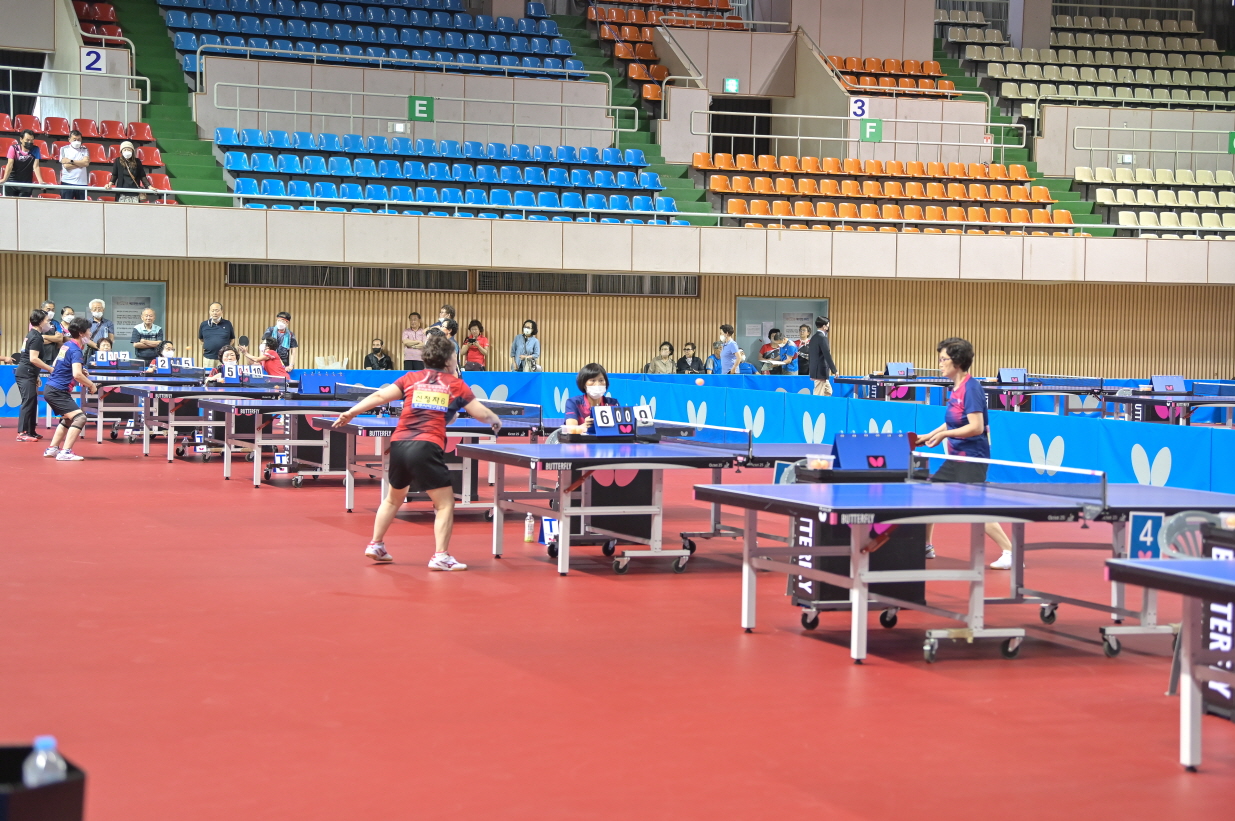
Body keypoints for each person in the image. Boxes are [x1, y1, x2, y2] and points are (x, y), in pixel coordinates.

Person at [333, 334, 502, 569]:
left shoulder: (411, 378)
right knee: (445, 504)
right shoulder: (455, 384)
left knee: (393, 499)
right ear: (448, 360)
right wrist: (495, 420)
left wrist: (351, 412)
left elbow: (380, 396)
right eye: (454, 355)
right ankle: (441, 556)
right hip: (426, 446)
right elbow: (480, 413)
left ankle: (376, 544)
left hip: (400, 444)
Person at [916, 337, 1014, 567]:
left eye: (943, 359)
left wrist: (944, 436)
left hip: (972, 458)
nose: (939, 363)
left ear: (957, 362)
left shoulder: (971, 389)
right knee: (928, 498)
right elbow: (953, 420)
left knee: (974, 507)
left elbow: (976, 427)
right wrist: (930, 435)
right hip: (956, 458)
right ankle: (926, 546)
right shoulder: (957, 387)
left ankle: (1011, 553)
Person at [41, 317, 98, 462]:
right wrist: (91, 385)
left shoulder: (66, 346)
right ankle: (65, 452)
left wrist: (79, 369)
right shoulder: (76, 350)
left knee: (67, 419)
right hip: (57, 391)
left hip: (52, 388)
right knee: (80, 418)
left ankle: (52, 448)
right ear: (81, 333)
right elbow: (77, 375)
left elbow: (58, 364)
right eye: (88, 330)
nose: (90, 333)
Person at [15, 309, 54, 442]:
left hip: (30, 373)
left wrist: (36, 376)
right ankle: (22, 433)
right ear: (40, 322)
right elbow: (33, 358)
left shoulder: (33, 334)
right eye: (47, 321)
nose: (49, 323)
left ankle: (31, 431)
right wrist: (50, 368)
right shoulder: (36, 337)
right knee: (28, 401)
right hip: (25, 373)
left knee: (32, 402)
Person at [562, 363, 619, 433]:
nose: (597, 384)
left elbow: (619, 428)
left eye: (601, 380)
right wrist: (583, 427)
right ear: (584, 384)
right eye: (593, 380)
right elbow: (570, 430)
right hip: (581, 440)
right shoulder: (573, 403)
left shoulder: (613, 403)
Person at [1, 130, 41, 197]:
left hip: (26, 184)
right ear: (21, 139)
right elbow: (10, 164)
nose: (29, 142)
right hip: (12, 183)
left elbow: (36, 166)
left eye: (32, 140)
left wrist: (40, 181)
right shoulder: (13, 148)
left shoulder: (36, 149)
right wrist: (4, 179)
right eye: (27, 140)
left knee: (23, 203)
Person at [198, 302, 235, 368]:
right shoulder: (204, 324)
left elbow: (232, 339)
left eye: (217, 310)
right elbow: (201, 339)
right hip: (208, 358)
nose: (215, 313)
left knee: (223, 374)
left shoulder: (227, 324)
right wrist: (207, 347)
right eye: (212, 311)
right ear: (209, 312)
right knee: (209, 374)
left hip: (224, 358)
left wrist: (226, 349)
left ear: (221, 311)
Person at [807, 316, 837, 396]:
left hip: (815, 370)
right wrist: (834, 370)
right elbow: (827, 355)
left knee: (828, 391)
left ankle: (825, 404)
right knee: (818, 394)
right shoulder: (822, 338)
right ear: (824, 326)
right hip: (820, 371)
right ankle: (816, 404)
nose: (828, 327)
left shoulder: (813, 338)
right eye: (828, 325)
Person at [58, 130, 91, 201]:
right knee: (66, 205)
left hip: (82, 183)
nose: (77, 141)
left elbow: (86, 163)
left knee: (82, 206)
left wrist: (71, 161)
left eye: (79, 139)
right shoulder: (64, 149)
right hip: (67, 182)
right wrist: (81, 163)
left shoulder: (85, 149)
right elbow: (66, 166)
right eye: (74, 139)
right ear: (69, 139)